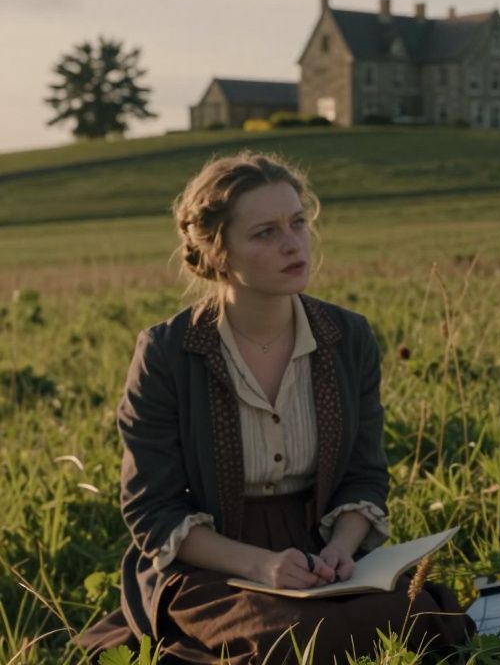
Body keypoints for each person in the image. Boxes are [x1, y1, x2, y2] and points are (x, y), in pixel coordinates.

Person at [78, 152, 471, 663]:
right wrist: (262, 566)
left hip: (323, 553)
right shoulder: (168, 353)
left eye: (298, 223)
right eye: (264, 233)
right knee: (294, 643)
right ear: (219, 254)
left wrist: (343, 548)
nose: (293, 243)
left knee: (425, 620)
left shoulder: (346, 337)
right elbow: (154, 511)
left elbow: (363, 472)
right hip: (213, 558)